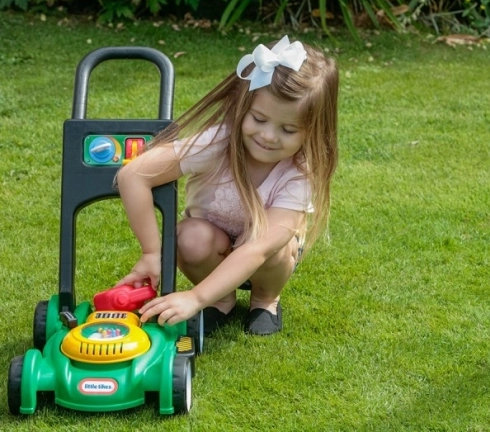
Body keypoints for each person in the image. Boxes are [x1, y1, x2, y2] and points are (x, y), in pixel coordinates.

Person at [115, 35, 339, 335]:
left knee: (271, 248)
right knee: (189, 238)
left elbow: (258, 249)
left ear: (312, 132)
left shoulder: (300, 172)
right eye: (259, 118)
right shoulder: (219, 142)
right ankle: (220, 299)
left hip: (264, 254)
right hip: (210, 244)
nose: (268, 136)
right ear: (242, 106)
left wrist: (194, 298)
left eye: (288, 129)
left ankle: (265, 300)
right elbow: (134, 175)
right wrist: (151, 254)